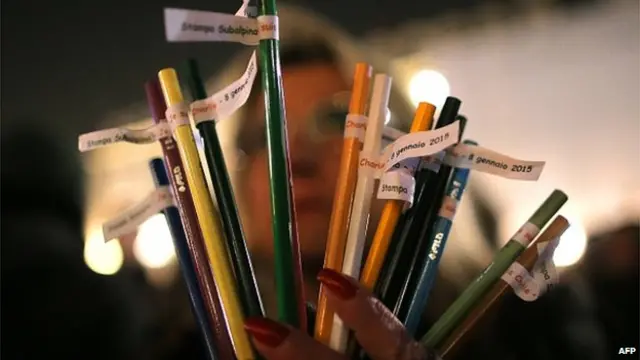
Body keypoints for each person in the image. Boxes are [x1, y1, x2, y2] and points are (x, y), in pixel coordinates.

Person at [209, 5, 608, 360]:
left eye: (337, 123)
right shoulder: (191, 344)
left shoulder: (527, 319)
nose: (295, 160)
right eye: (264, 137)